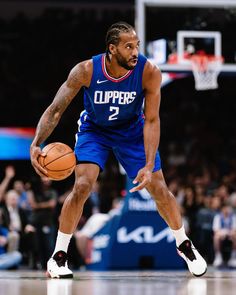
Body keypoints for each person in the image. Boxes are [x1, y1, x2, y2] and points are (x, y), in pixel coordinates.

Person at [30, 21, 207, 278]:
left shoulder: (149, 72)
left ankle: (184, 244)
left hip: (132, 131)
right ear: (112, 49)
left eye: (136, 45)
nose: (135, 51)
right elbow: (56, 109)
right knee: (82, 186)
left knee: (159, 188)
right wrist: (36, 143)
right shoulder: (86, 70)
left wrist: (148, 165)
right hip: (95, 130)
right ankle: (58, 257)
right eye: (128, 46)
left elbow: (153, 120)